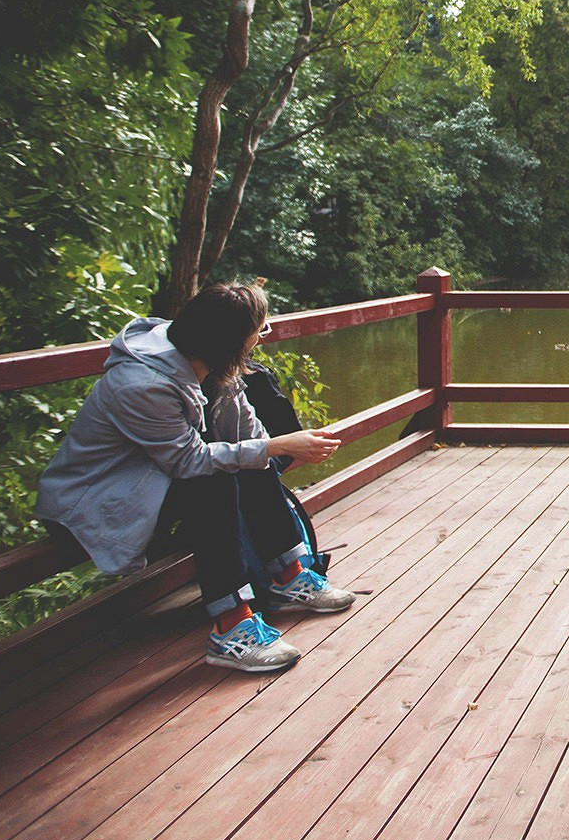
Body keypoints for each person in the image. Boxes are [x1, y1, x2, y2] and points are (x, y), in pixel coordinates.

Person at [36, 281, 356, 674]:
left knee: (247, 462)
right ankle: (230, 628)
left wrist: (273, 447)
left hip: (152, 483)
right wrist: (276, 447)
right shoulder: (142, 385)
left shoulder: (215, 365)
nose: (260, 339)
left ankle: (289, 577)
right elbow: (188, 462)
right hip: (96, 503)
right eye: (259, 330)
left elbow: (247, 437)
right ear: (230, 340)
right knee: (215, 478)